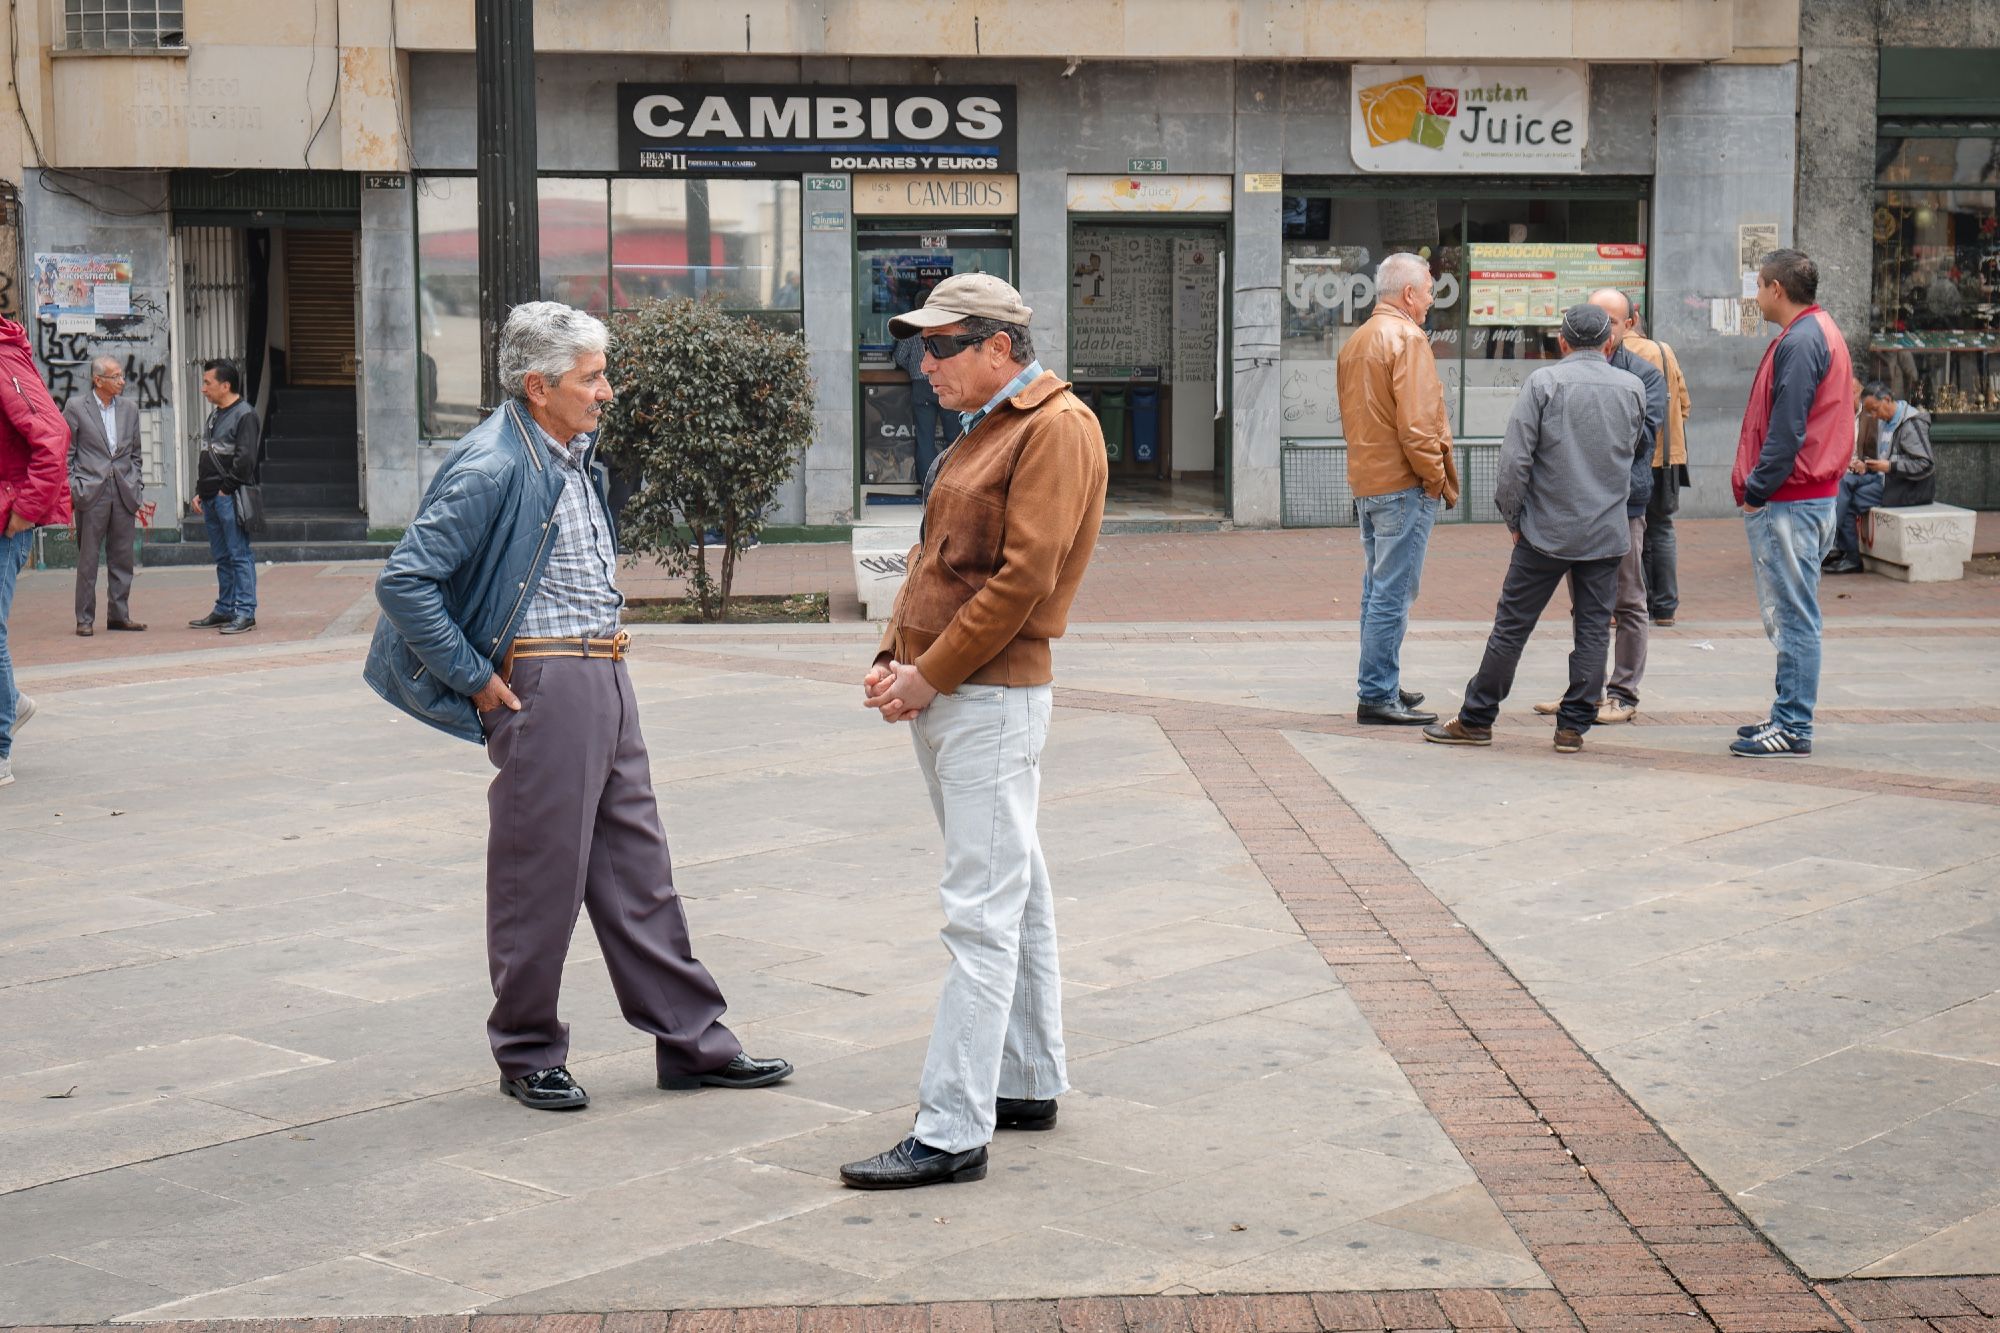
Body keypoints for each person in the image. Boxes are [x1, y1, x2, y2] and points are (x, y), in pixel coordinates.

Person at [365, 301, 791, 1111]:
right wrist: (476, 679)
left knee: (639, 870)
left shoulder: (567, 454)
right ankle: (527, 1051)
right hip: (546, 683)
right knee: (540, 875)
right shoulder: (493, 464)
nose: (607, 391)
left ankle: (693, 1042)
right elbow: (406, 582)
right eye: (591, 377)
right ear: (538, 385)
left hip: (604, 672)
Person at [843, 274, 1107, 1190]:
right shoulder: (993, 426)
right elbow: (933, 560)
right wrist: (893, 651)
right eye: (924, 345)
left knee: (980, 916)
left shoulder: (1053, 426)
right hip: (960, 691)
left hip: (988, 695)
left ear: (1000, 345)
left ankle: (954, 1125)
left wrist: (928, 672)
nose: (926, 362)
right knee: (1015, 889)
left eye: (944, 344)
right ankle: (1025, 1077)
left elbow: (1024, 579)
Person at [1424, 304, 1645, 755]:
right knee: (1593, 630)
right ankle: (1573, 727)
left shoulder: (1544, 383)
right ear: (1609, 343)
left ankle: (1477, 718)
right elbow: (1635, 449)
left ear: (1561, 343)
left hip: (1544, 531)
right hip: (1605, 533)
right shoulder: (1633, 387)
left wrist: (1514, 519)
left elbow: (1513, 464)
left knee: (1511, 628)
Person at [1730, 248, 1853, 757]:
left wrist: (1757, 490)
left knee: (1796, 615)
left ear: (1776, 289)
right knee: (1792, 610)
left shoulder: (1803, 340)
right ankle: (1786, 714)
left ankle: (1795, 726)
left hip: (1792, 498)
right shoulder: (1813, 332)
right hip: (1802, 495)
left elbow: (1787, 429)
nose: (1755, 295)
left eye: (1758, 286)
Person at [1336, 251, 1460, 727]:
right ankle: (1377, 693)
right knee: (1392, 594)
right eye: (1429, 291)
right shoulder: (1407, 338)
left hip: (1370, 481)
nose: (1431, 300)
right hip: (1403, 484)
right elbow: (1417, 424)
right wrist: (1435, 478)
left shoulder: (1359, 340)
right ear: (1409, 293)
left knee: (1377, 591)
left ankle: (1381, 682)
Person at [1534, 289, 1665, 724]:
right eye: (1595, 316)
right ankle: (1584, 691)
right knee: (1586, 604)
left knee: (1627, 600)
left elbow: (1642, 438)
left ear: (1629, 325)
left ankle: (1623, 693)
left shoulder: (1645, 376)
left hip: (1623, 504)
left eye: (1613, 319)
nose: (1603, 326)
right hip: (1575, 504)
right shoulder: (1560, 374)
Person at [0, 314, 72, 787]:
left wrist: (24, 510)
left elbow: (53, 436)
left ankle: (2, 742)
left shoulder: (4, 360)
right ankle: (13, 704)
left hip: (6, 519)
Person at [63, 357, 147, 636]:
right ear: (98, 380)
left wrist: (136, 483)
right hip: (91, 491)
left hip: (123, 489)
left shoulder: (130, 409)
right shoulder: (76, 407)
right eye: (116, 376)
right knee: (88, 559)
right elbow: (66, 453)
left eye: (122, 376)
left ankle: (119, 615)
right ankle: (84, 618)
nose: (122, 381)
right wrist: (75, 487)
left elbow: (136, 453)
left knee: (123, 557)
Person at [1623, 316, 1693, 626]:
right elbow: (1685, 405)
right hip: (1667, 459)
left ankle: (1631, 603)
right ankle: (1665, 608)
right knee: (1661, 529)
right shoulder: (1663, 351)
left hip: (1628, 460)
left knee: (1627, 530)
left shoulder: (1611, 353)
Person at [1825, 381, 1935, 575]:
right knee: (1843, 483)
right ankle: (1835, 547)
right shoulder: (1885, 422)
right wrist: (1866, 464)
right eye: (1870, 413)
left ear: (1886, 400)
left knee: (1850, 502)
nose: (1874, 416)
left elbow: (1925, 464)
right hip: (1883, 477)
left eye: (1875, 410)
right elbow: (1884, 457)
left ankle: (1843, 553)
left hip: (1906, 487)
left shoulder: (1911, 423)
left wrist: (1889, 466)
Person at [188, 360, 259, 635]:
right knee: (223, 556)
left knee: (239, 554)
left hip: (228, 496)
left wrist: (224, 489)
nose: (203, 389)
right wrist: (200, 490)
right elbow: (208, 455)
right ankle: (225, 608)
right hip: (211, 496)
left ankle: (245, 611)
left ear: (225, 385)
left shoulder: (245, 414)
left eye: (208, 383)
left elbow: (245, 461)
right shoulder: (216, 414)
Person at [894, 330, 947, 489]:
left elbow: (899, 356)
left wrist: (914, 367)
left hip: (920, 387)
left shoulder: (911, 332)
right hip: (945, 383)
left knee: (925, 439)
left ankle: (927, 486)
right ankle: (950, 483)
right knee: (955, 437)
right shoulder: (944, 328)